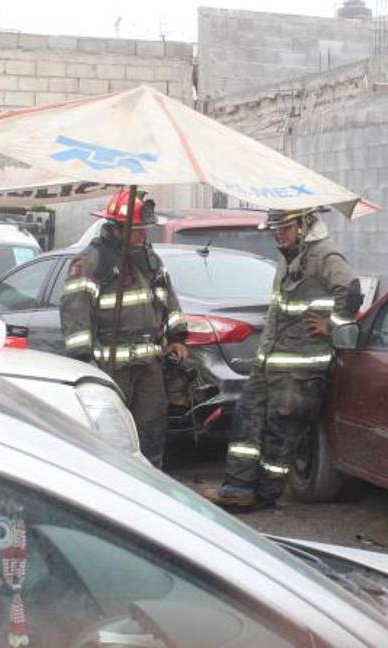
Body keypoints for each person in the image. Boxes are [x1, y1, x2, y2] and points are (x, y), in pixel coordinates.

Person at [205, 207, 358, 511]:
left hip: (299, 368)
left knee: (281, 432)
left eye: (284, 228)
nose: (278, 234)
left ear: (303, 225)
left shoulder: (324, 256)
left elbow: (351, 291)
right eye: (275, 229)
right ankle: (237, 488)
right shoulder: (288, 257)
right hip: (269, 363)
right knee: (247, 422)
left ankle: (264, 494)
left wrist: (331, 324)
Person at [58, 188, 188, 468]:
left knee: (152, 431)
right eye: (138, 230)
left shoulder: (150, 260)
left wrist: (178, 337)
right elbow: (75, 313)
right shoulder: (92, 262)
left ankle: (153, 486)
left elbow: (169, 299)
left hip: (149, 366)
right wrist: (84, 359)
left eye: (145, 230)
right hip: (111, 367)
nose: (144, 236)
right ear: (118, 228)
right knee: (112, 436)